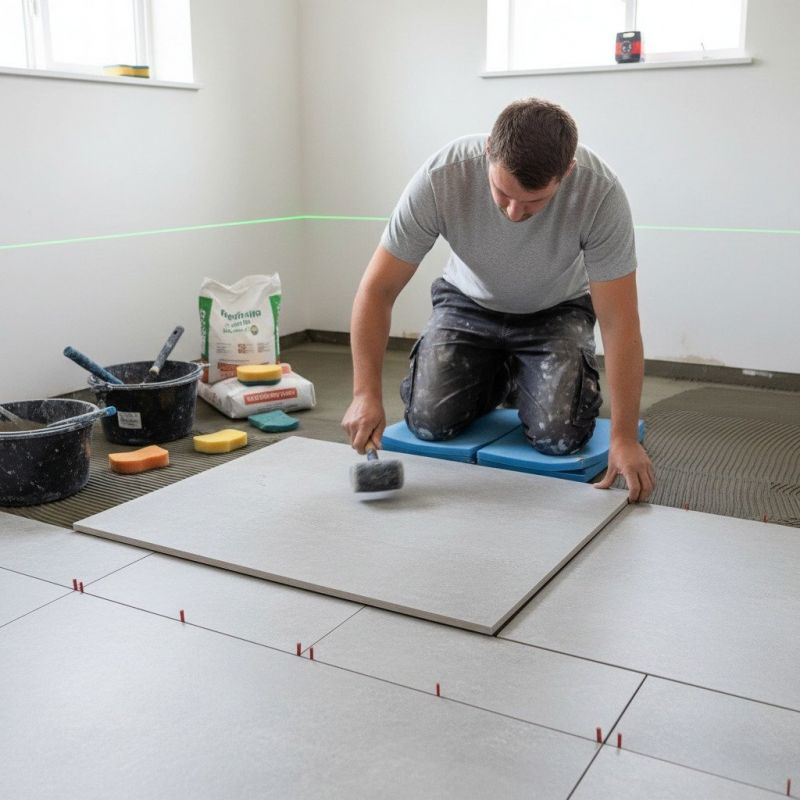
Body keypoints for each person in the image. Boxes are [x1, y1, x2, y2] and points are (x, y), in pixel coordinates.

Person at [341, 97, 654, 502]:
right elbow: (376, 289)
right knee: (428, 422)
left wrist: (624, 437)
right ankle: (504, 374)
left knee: (559, 438)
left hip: (555, 311)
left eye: (534, 202)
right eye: (502, 192)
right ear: (489, 150)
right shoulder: (442, 176)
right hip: (467, 304)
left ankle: (529, 370)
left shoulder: (600, 193)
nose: (512, 212)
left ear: (567, 173)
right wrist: (365, 393)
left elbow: (620, 323)